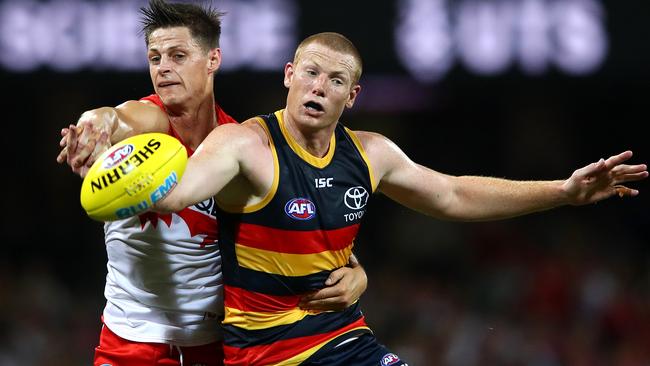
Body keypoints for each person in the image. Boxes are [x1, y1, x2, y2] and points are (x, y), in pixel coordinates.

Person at [150, 31, 649, 365]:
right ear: (288, 75)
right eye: (310, 73)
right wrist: (124, 179)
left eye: (336, 80)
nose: (318, 87)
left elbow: (452, 194)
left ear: (353, 96)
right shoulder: (246, 144)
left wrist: (563, 191)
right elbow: (181, 194)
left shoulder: (370, 153)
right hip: (264, 353)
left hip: (340, 337)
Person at [56, 2, 368, 365]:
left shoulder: (243, 145)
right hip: (130, 341)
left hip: (218, 344)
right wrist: (95, 122)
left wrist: (357, 271)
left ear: (213, 59)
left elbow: (296, 227)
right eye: (155, 58)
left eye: (178, 55)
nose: (164, 68)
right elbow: (117, 117)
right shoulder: (148, 122)